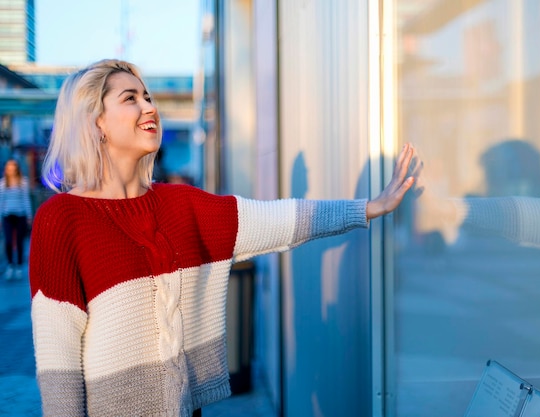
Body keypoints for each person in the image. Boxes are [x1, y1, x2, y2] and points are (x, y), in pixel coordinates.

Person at [28, 59, 422, 417]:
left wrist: (369, 207)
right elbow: (58, 367)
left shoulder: (184, 205)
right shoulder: (62, 220)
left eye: (148, 96)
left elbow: (281, 218)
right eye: (130, 98)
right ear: (95, 121)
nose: (149, 107)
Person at [0, 158, 32, 280]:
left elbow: (26, 199)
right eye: (9, 167)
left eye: (13, 166)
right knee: (8, 241)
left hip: (20, 215)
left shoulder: (23, 182)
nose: (11, 169)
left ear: (16, 168)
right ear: (6, 169)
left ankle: (18, 265)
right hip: (7, 215)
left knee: (19, 240)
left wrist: (29, 215)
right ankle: (10, 264)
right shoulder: (2, 184)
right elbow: (1, 201)